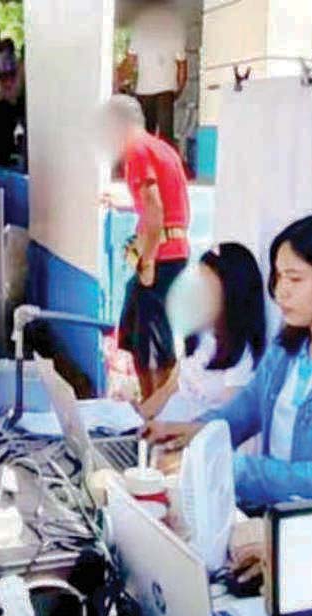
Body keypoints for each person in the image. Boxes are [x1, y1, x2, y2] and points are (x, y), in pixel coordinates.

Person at [147, 214, 312, 507]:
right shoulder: (288, 349)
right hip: (279, 519)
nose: (280, 291)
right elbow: (243, 413)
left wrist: (226, 466)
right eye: (278, 277)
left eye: (295, 278)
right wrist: (186, 432)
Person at [102, 94, 191, 399]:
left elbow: (154, 209)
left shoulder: (137, 151)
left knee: (153, 341)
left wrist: (147, 261)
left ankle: (159, 408)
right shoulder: (160, 147)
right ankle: (151, 403)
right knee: (136, 332)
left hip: (160, 256)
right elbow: (161, 203)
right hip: (172, 250)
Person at [139, 243, 265, 423]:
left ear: (233, 293)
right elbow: (167, 390)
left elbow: (227, 422)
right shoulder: (197, 335)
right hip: (163, 433)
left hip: (192, 443)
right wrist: (133, 420)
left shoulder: (241, 356)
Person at [124, 1, 188, 146]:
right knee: (166, 138)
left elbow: (130, 62)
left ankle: (147, 167)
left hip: (144, 91)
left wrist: (125, 83)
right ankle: (164, 167)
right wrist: (179, 90)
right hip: (166, 91)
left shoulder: (139, 32)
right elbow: (182, 67)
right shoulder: (174, 32)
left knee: (146, 136)